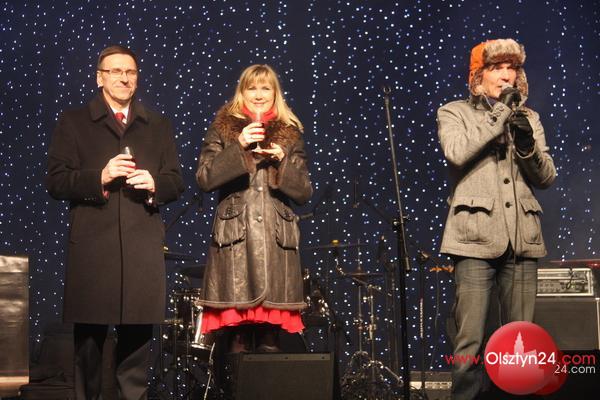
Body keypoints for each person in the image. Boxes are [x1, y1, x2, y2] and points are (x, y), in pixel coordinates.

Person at [46, 45, 184, 399]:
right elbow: (56, 181)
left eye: (131, 72)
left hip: (141, 247)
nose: (124, 78)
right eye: (116, 71)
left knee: (136, 350)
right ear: (100, 78)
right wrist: (100, 177)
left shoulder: (158, 125)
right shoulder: (74, 121)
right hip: (94, 248)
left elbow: (176, 181)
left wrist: (155, 184)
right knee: (89, 348)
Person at [437, 39, 556, 399]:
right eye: (496, 68)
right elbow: (457, 152)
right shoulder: (454, 112)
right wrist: (499, 114)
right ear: (479, 76)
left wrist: (526, 145)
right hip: (473, 239)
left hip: (522, 240)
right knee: (470, 341)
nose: (506, 75)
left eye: (511, 68)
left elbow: (546, 177)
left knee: (521, 340)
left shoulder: (530, 118)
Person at [196, 64, 312, 357]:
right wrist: (239, 146)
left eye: (265, 88)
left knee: (270, 345)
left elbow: (304, 192)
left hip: (276, 244)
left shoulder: (290, 134)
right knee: (237, 345)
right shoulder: (223, 128)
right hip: (236, 243)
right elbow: (205, 178)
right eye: (252, 88)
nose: (259, 95)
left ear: (275, 93)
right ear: (242, 92)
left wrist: (283, 161)